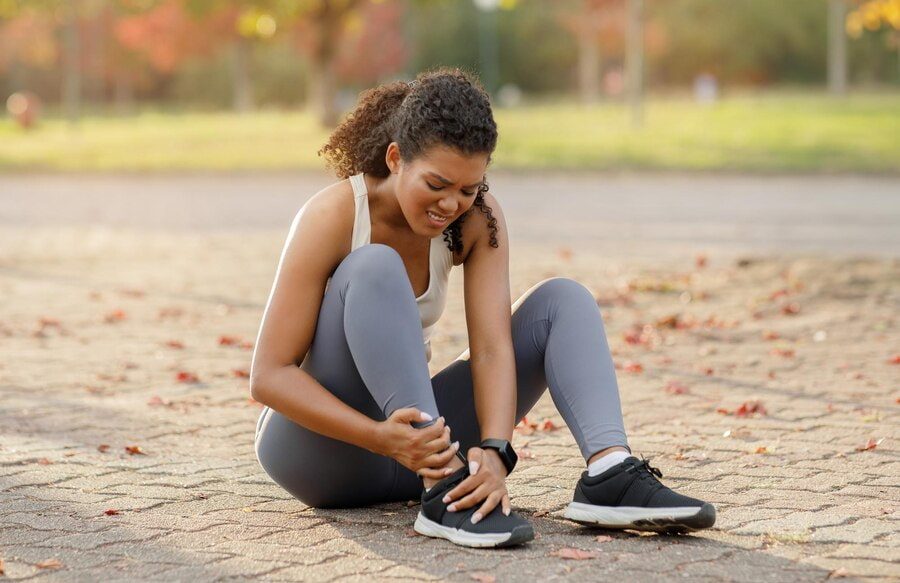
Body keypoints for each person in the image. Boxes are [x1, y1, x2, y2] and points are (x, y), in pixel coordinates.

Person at [250, 67, 715, 549]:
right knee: (373, 266)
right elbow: (268, 375)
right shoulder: (333, 215)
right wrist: (380, 437)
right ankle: (444, 490)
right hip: (321, 454)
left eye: (468, 188)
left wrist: (496, 451)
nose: (451, 204)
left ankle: (609, 474)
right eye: (437, 183)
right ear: (395, 158)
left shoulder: (478, 218)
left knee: (562, 301)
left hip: (417, 449)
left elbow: (492, 348)